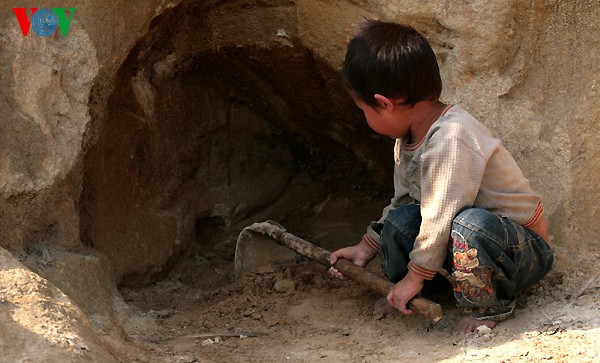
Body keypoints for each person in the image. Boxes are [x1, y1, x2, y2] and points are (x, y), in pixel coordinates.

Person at [329, 19, 554, 334]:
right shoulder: (407, 140)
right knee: (400, 221)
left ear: (383, 103)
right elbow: (403, 203)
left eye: (362, 109)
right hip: (463, 243)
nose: (363, 117)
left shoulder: (451, 139)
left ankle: (488, 305)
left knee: (468, 225)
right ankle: (417, 292)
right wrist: (366, 247)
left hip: (520, 250)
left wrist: (415, 274)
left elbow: (440, 218)